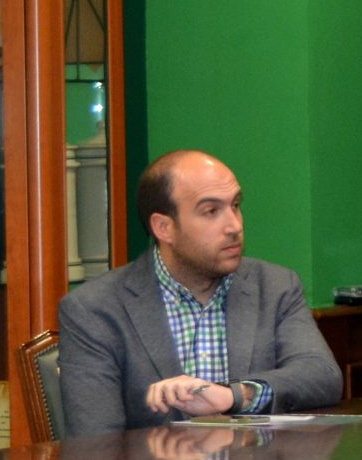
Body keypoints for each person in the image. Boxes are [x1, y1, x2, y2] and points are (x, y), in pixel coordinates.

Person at [56, 149, 341, 435]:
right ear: (164, 228)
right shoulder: (95, 309)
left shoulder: (275, 287)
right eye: (211, 211)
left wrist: (235, 395)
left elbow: (322, 375)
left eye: (235, 205)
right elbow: (95, 440)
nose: (234, 226)